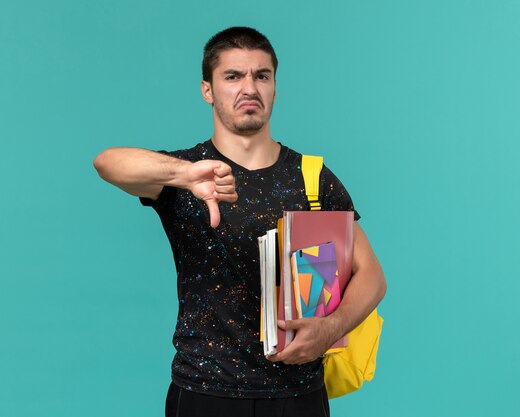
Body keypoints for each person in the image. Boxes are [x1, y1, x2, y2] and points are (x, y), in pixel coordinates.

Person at [94, 26, 386, 417]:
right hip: (203, 392)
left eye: (261, 76)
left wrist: (330, 330)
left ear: (274, 89)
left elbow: (373, 277)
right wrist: (183, 174)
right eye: (233, 76)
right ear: (207, 90)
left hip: (298, 394)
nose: (249, 87)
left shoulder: (312, 177)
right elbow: (107, 162)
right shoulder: (187, 173)